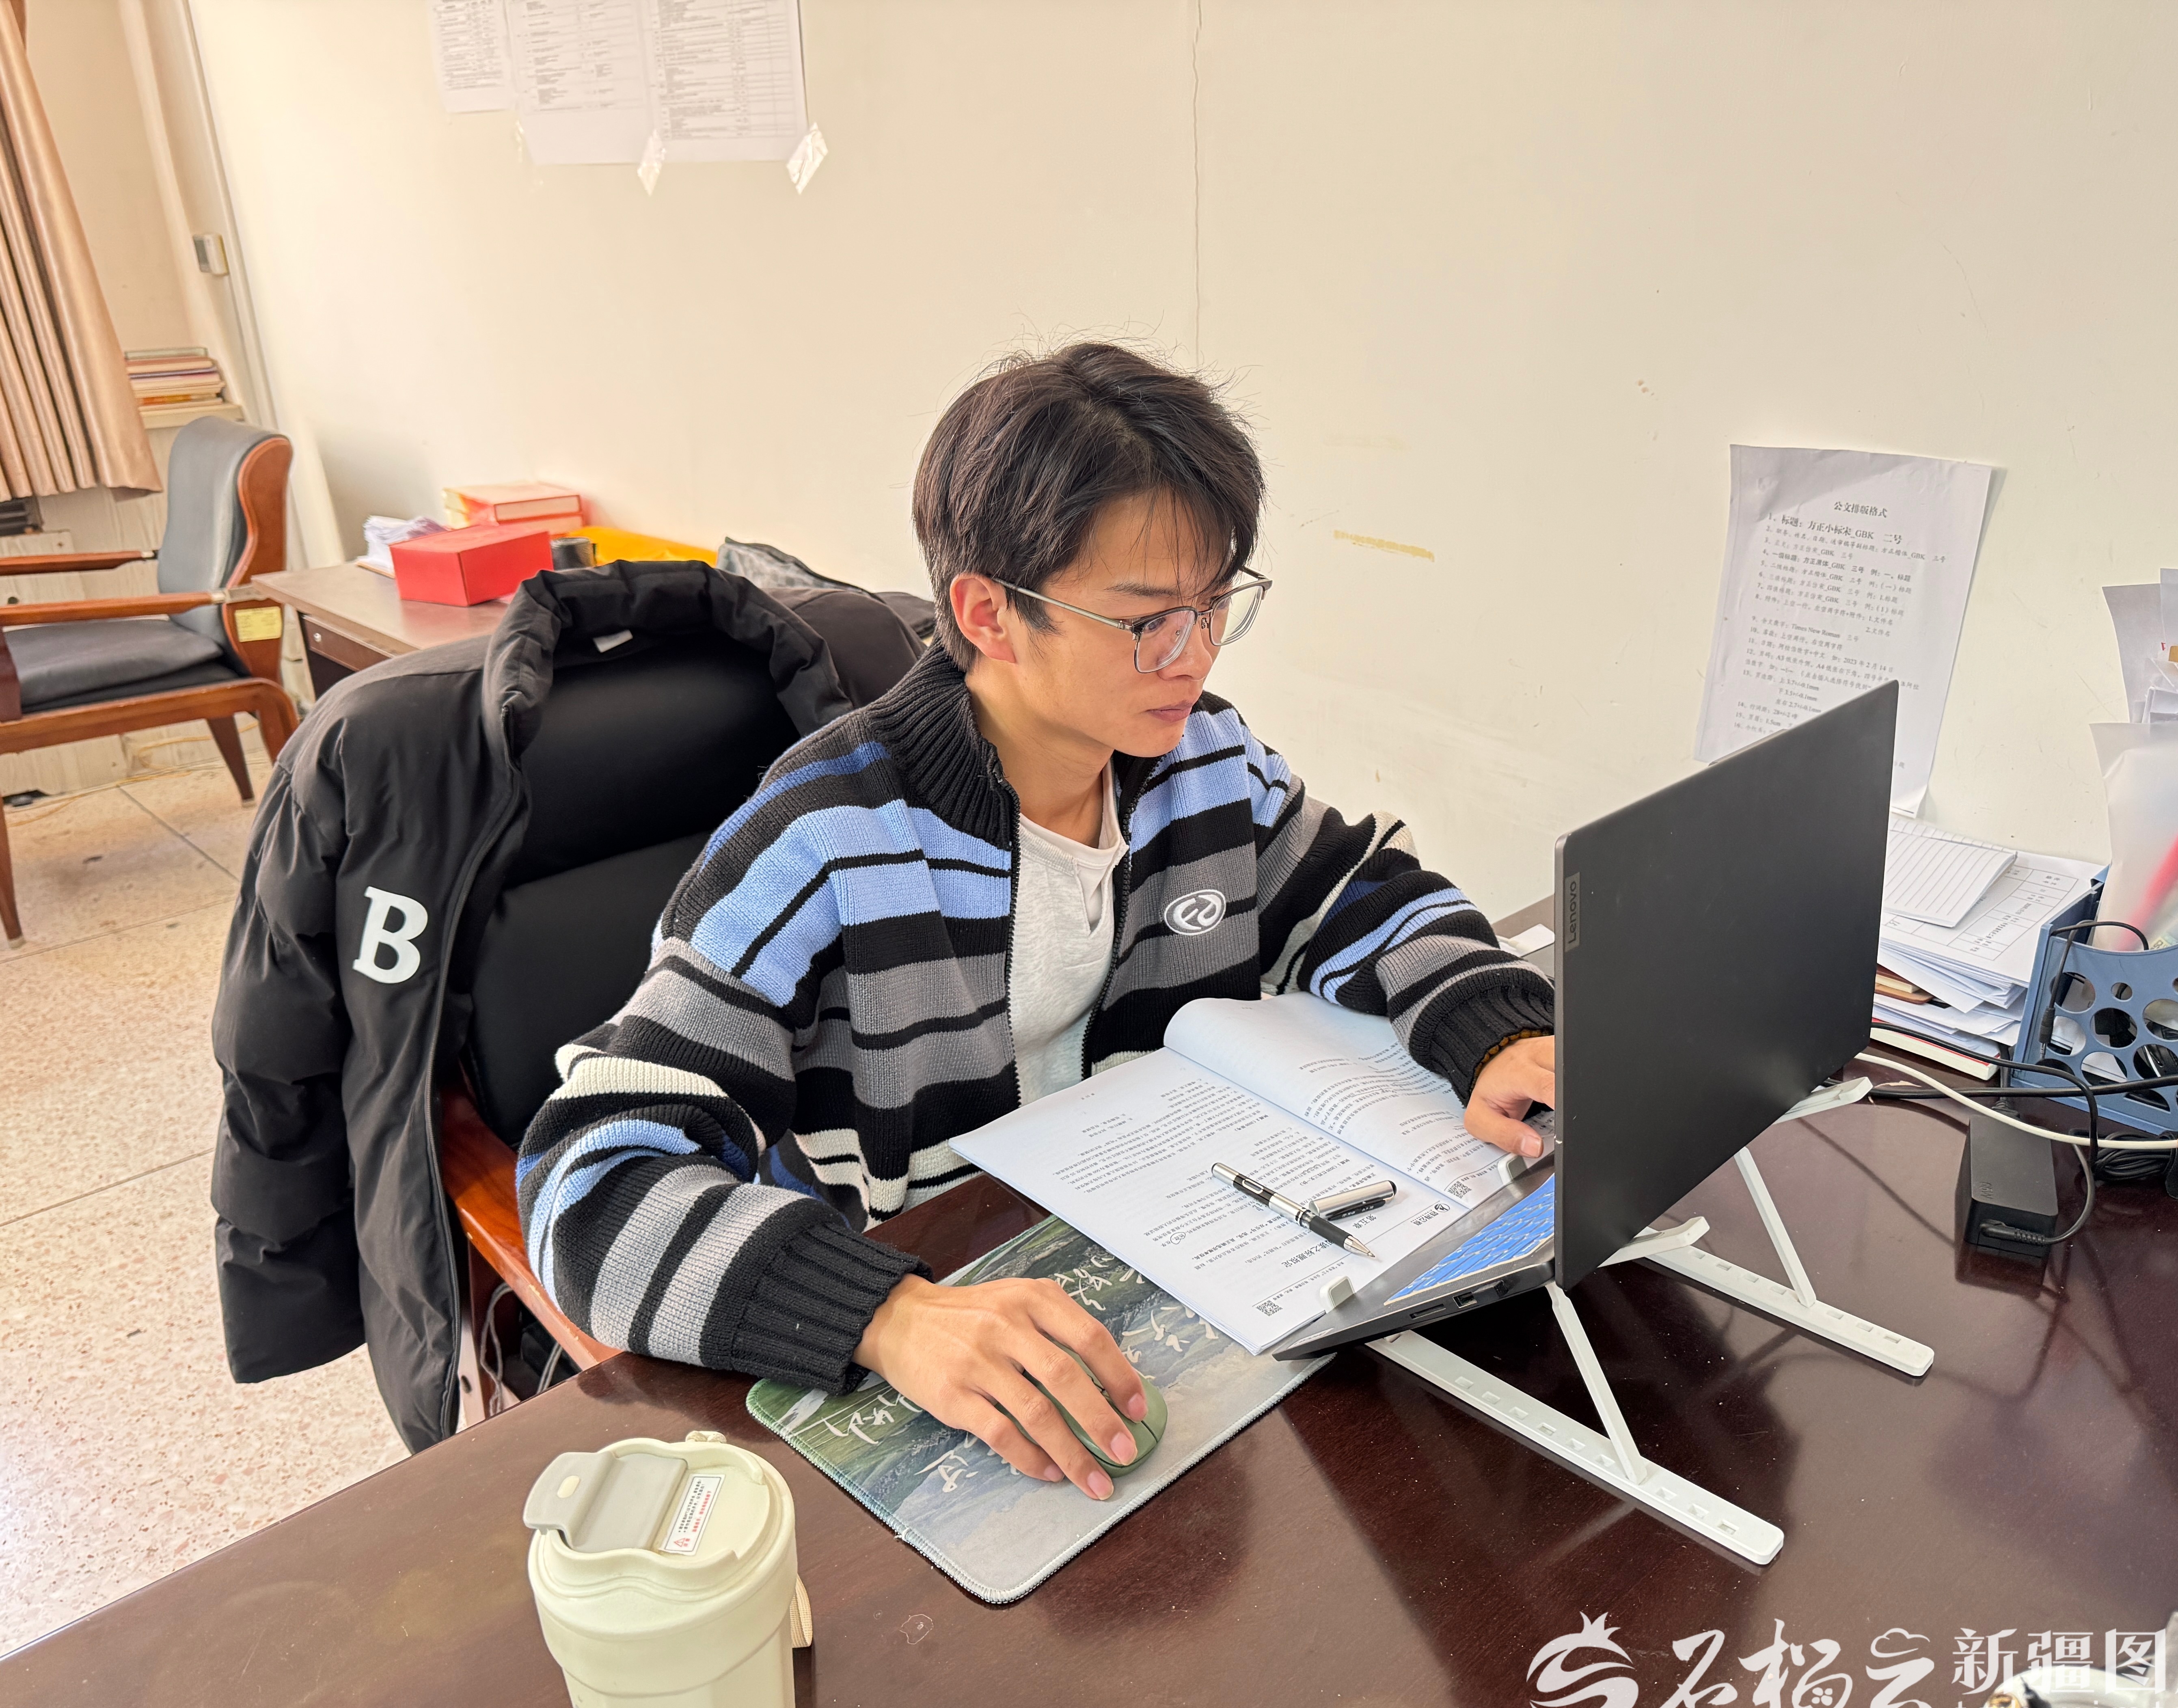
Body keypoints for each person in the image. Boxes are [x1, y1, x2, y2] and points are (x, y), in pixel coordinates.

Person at [517, 341, 1558, 1501]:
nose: (1196, 654)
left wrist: (1493, 1027)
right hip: (940, 1323)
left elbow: (1363, 891)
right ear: (990, 614)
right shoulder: (826, 842)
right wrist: (886, 1316)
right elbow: (583, 1185)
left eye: (1217, 603)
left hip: (1174, 1263)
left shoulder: (1202, 760)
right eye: (1147, 620)